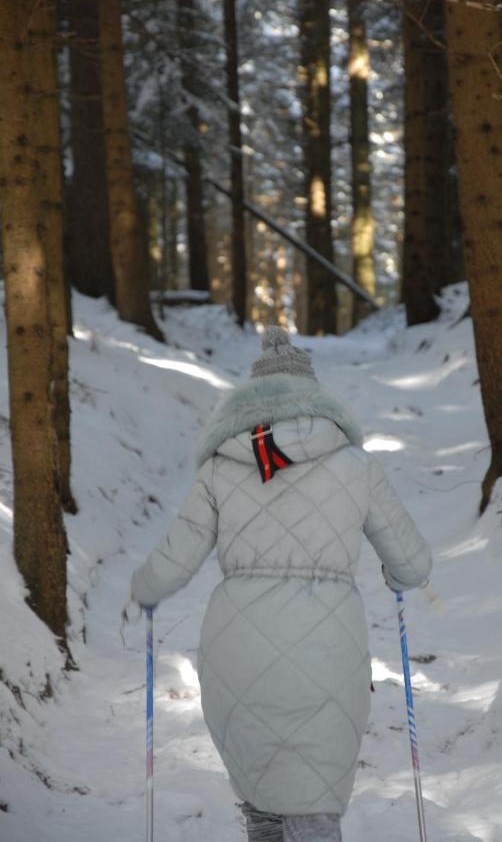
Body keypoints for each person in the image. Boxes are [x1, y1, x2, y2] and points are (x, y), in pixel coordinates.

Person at [130, 326, 432, 842]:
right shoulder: (355, 465)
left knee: (263, 801)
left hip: (237, 647)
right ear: (318, 402)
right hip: (329, 645)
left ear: (249, 405)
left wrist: (144, 589)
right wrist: (393, 574)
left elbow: (171, 561)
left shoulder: (222, 468)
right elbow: (412, 564)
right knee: (314, 793)